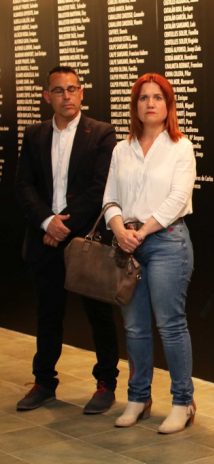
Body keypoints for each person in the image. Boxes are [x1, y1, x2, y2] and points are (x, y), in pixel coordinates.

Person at [15, 65, 120, 414]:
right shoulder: (34, 135)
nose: (67, 96)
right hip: (44, 239)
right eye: (59, 90)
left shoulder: (101, 134)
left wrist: (63, 226)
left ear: (82, 93)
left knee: (99, 315)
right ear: (47, 96)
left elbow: (100, 188)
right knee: (48, 315)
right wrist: (47, 222)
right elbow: (23, 185)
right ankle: (44, 382)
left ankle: (106, 384)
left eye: (72, 89)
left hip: (85, 242)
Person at [103, 73, 196, 434]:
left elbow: (177, 198)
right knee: (135, 327)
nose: (151, 104)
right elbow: (110, 197)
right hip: (127, 243)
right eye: (143, 98)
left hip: (166, 242)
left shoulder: (180, 147)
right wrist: (119, 230)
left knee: (170, 325)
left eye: (158, 97)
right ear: (135, 105)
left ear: (168, 104)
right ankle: (138, 398)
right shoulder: (121, 149)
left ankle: (182, 402)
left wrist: (141, 232)